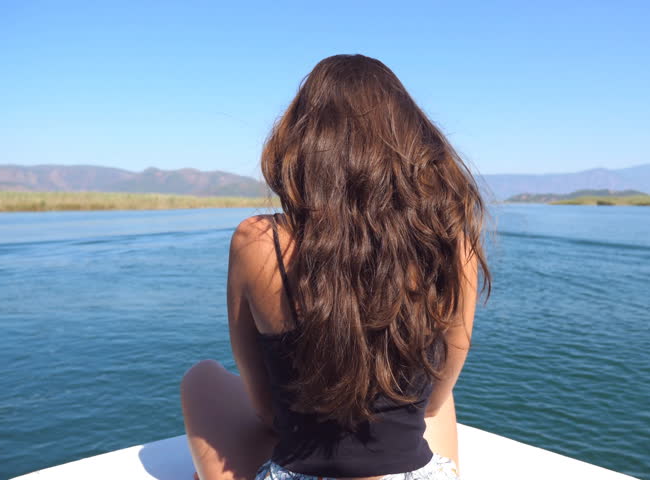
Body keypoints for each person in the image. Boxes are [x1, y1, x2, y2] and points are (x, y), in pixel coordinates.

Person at [180, 54, 491, 480]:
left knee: (201, 378)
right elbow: (433, 404)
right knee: (437, 396)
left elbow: (265, 412)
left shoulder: (257, 241)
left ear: (302, 141)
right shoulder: (453, 243)